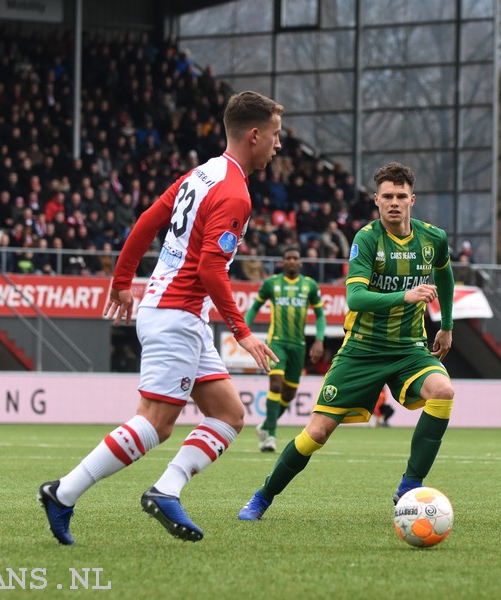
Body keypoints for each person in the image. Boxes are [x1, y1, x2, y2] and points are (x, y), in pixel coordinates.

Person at [38, 91, 284, 544]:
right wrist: (243, 332)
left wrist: (121, 280)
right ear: (255, 135)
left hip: (171, 308)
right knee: (155, 422)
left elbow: (148, 220)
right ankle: (63, 493)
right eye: (275, 135)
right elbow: (211, 268)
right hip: (177, 314)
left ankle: (166, 490)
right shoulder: (234, 193)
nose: (278, 144)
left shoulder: (202, 174)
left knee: (228, 415)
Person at [237, 161, 456, 521]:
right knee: (316, 434)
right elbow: (355, 299)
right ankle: (262, 497)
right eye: (387, 196)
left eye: (401, 196)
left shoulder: (433, 238)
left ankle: (408, 486)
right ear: (376, 200)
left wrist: (446, 325)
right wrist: (406, 296)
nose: (394, 203)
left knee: (444, 392)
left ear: (412, 199)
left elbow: (446, 276)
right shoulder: (367, 239)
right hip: (362, 351)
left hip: (409, 349)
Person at [244, 246, 326, 452]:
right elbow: (254, 308)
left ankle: (265, 425)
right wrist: (242, 332)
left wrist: (319, 340)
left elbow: (320, 315)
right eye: (287, 257)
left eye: (295, 258)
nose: (291, 261)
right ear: (283, 262)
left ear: (299, 262)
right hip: (277, 342)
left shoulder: (309, 285)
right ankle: (270, 437)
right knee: (276, 385)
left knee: (288, 395)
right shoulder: (271, 283)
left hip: (298, 345)